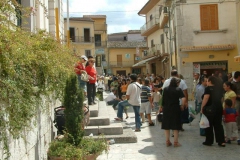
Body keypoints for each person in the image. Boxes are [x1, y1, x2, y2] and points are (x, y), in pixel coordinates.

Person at [201, 76, 225, 147]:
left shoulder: (208, 89)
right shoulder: (219, 89)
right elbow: (222, 99)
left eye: (208, 80)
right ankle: (221, 141)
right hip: (218, 108)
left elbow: (206, 98)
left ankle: (209, 140)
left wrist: (202, 107)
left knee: (208, 125)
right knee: (218, 125)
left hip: (209, 109)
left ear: (210, 81)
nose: (207, 82)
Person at [161, 78, 186, 147]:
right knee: (176, 126)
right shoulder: (178, 89)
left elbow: (163, 98)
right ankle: (176, 142)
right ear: (177, 83)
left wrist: (161, 107)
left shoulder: (165, 89)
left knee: (167, 125)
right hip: (175, 108)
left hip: (166, 108)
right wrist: (182, 105)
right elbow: (183, 98)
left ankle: (167, 141)